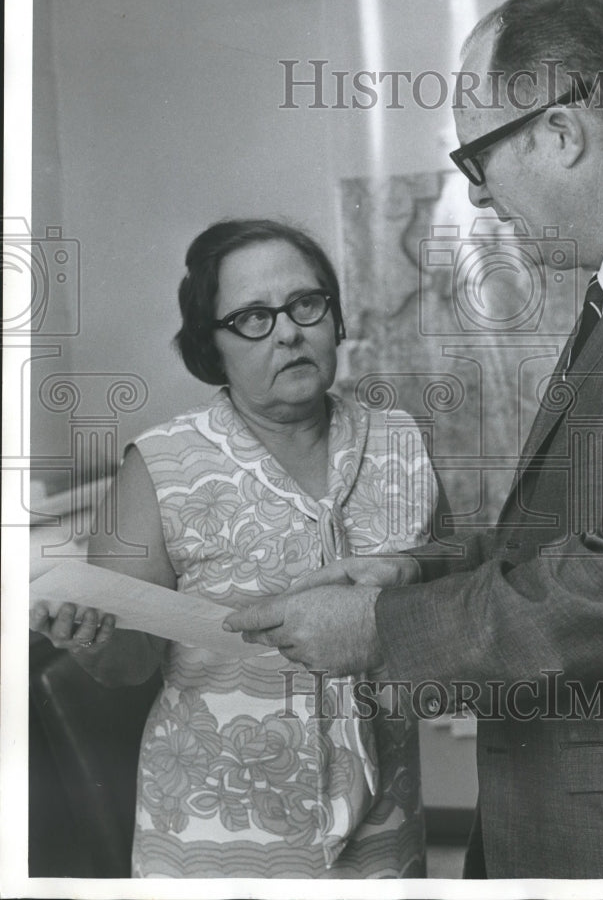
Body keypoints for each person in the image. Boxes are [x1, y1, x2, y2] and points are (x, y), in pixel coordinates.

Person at [224, 0, 603, 879]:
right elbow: (581, 533)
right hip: (572, 824)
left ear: (561, 134)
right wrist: (418, 567)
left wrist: (384, 628)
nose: (480, 198)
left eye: (477, 158)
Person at [30, 219, 440, 878]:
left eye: (306, 304)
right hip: (214, 835)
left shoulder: (401, 440)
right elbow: (129, 664)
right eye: (252, 317)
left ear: (334, 319)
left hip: (382, 826)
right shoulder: (160, 465)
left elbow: (436, 613)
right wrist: (90, 634)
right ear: (210, 348)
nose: (287, 331)